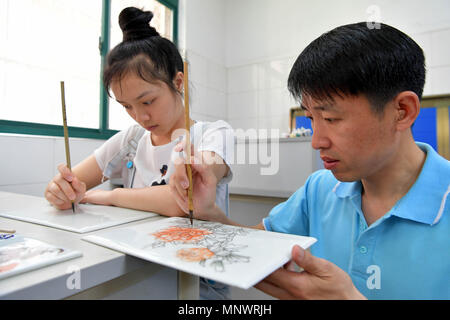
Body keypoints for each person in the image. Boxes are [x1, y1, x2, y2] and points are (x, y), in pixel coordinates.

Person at [170, 22, 450, 299]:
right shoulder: (320, 189)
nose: (317, 141)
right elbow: (254, 244)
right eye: (312, 119)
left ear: (402, 111)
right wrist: (209, 211)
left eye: (331, 118)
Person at [44, 7, 234, 299]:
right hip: (141, 269)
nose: (140, 117)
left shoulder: (212, 135)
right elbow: (73, 182)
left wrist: (108, 196)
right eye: (127, 106)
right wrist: (61, 189)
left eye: (147, 101)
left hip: (199, 281)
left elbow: (183, 200)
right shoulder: (132, 138)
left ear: (177, 82)